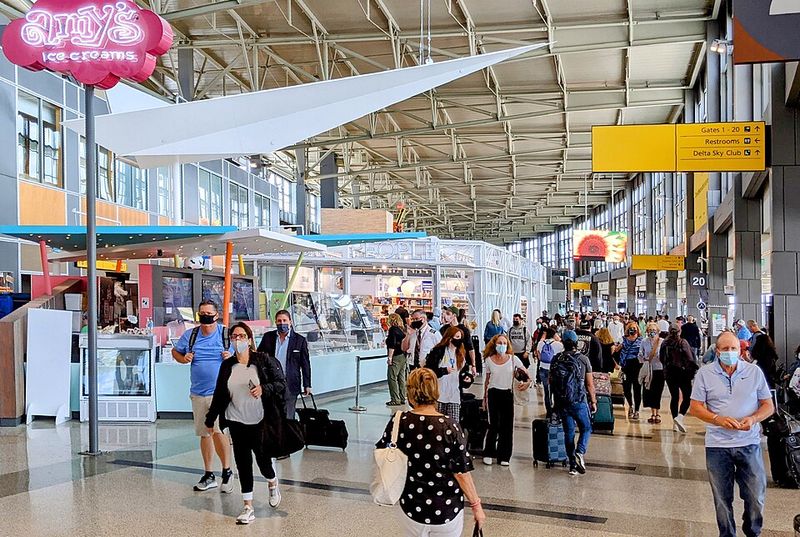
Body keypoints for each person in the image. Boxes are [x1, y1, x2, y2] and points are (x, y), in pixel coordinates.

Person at [377, 368, 485, 536]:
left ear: (410, 391)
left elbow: (382, 452)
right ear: (436, 390)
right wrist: (476, 506)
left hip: (411, 507)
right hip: (446, 509)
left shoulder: (399, 422)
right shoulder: (449, 426)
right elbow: (461, 473)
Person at [689, 331, 774, 537]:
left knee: (756, 495)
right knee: (722, 498)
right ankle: (727, 534)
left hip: (749, 443)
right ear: (717, 351)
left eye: (733, 348)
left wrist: (753, 419)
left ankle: (753, 530)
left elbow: (768, 405)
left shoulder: (754, 372)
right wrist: (718, 419)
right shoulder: (705, 374)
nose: (730, 352)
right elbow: (695, 407)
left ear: (741, 350)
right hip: (718, 445)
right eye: (725, 349)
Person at [205, 323, 286, 524]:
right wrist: (210, 418)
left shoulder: (263, 361)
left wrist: (263, 389)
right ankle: (248, 506)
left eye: (241, 336)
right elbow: (219, 393)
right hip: (236, 420)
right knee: (242, 462)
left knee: (263, 460)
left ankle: (272, 481)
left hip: (260, 420)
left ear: (249, 339)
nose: (237, 340)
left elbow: (281, 384)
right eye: (234, 336)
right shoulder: (227, 365)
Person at [171, 300, 235, 493]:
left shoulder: (226, 335)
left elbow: (244, 355)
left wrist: (230, 357)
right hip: (198, 392)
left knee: (218, 431)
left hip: (220, 393)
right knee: (204, 433)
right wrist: (183, 358)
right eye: (202, 313)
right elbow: (176, 352)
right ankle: (209, 474)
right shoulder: (190, 335)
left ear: (216, 315)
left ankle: (227, 471)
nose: (205, 317)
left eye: (208, 313)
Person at [550, 330, 596, 476]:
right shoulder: (583, 359)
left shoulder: (556, 359)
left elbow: (551, 381)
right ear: (577, 343)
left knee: (568, 433)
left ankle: (572, 466)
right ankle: (580, 452)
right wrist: (593, 401)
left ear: (563, 342)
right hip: (578, 400)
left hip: (562, 402)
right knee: (586, 428)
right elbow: (589, 384)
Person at [482, 334, 530, 466]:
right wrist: (484, 398)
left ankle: (504, 456)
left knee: (507, 426)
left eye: (504, 343)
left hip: (507, 393)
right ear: (494, 344)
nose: (502, 346)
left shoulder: (514, 359)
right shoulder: (489, 360)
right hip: (493, 393)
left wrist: (526, 383)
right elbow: (487, 381)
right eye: (499, 343)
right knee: (493, 425)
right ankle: (489, 452)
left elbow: (526, 375)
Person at [257, 309, 311, 419]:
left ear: (290, 322)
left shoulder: (299, 340)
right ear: (276, 322)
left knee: (288, 417)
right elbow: (259, 357)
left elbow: (305, 364)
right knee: (271, 416)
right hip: (271, 384)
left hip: (290, 384)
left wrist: (307, 384)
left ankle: (287, 436)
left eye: (284, 320)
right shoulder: (268, 337)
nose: (282, 323)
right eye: (279, 321)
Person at [660, 323, 698, 433]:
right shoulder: (683, 342)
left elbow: (662, 358)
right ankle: (680, 417)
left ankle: (674, 423)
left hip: (670, 373)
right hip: (683, 374)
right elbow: (690, 358)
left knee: (674, 397)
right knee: (687, 397)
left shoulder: (665, 343)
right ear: (679, 331)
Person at [425, 326, 467, 421]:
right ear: (450, 338)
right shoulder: (438, 351)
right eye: (457, 337)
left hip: (454, 395)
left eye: (460, 337)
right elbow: (429, 371)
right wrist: (443, 371)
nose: (459, 340)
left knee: (454, 422)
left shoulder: (461, 354)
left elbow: (462, 373)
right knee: (438, 422)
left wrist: (467, 378)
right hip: (439, 394)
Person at [615, 322, 643, 420]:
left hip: (637, 366)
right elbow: (615, 352)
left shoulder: (641, 341)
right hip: (626, 366)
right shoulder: (623, 341)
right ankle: (630, 405)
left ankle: (637, 410)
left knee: (637, 389)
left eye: (634, 328)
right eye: (631, 328)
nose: (632, 330)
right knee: (626, 388)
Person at [639, 322, 665, 424]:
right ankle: (652, 413)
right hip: (649, 370)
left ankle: (657, 412)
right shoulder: (644, 342)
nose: (652, 333)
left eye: (654, 331)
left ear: (658, 331)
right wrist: (642, 357)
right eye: (650, 331)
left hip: (659, 369)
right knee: (649, 391)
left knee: (658, 391)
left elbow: (664, 355)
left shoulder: (662, 342)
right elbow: (640, 353)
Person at [535, 327, 563, 417]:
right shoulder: (558, 345)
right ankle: (556, 411)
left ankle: (548, 412)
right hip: (554, 370)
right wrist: (559, 339)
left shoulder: (540, 343)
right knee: (555, 391)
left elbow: (539, 356)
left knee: (547, 392)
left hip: (543, 369)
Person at [440, 306, 477, 373]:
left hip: (461, 361)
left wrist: (473, 365)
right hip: (446, 362)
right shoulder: (443, 329)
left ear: (454, 315)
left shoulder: (464, 330)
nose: (445, 316)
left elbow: (470, 348)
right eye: (445, 314)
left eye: (448, 314)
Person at [385, 313, 408, 406]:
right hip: (403, 356)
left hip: (395, 356)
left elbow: (392, 344)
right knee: (401, 378)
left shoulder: (392, 330)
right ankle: (403, 397)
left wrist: (390, 357)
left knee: (392, 377)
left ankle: (395, 399)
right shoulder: (401, 330)